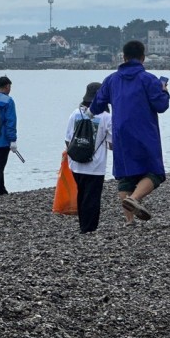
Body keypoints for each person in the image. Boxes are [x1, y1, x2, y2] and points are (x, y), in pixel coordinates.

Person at [89, 40, 169, 225]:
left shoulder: (111, 80)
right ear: (143, 58)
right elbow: (161, 105)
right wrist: (164, 91)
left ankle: (129, 220)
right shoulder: (149, 79)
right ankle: (135, 198)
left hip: (121, 133)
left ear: (123, 57)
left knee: (126, 175)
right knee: (155, 172)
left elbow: (97, 105)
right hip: (144, 131)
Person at [64, 82, 113, 234]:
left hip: (76, 163)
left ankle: (83, 225)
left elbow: (68, 140)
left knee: (82, 193)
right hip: (96, 165)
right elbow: (112, 145)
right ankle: (89, 228)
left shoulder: (75, 113)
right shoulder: (106, 117)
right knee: (92, 197)